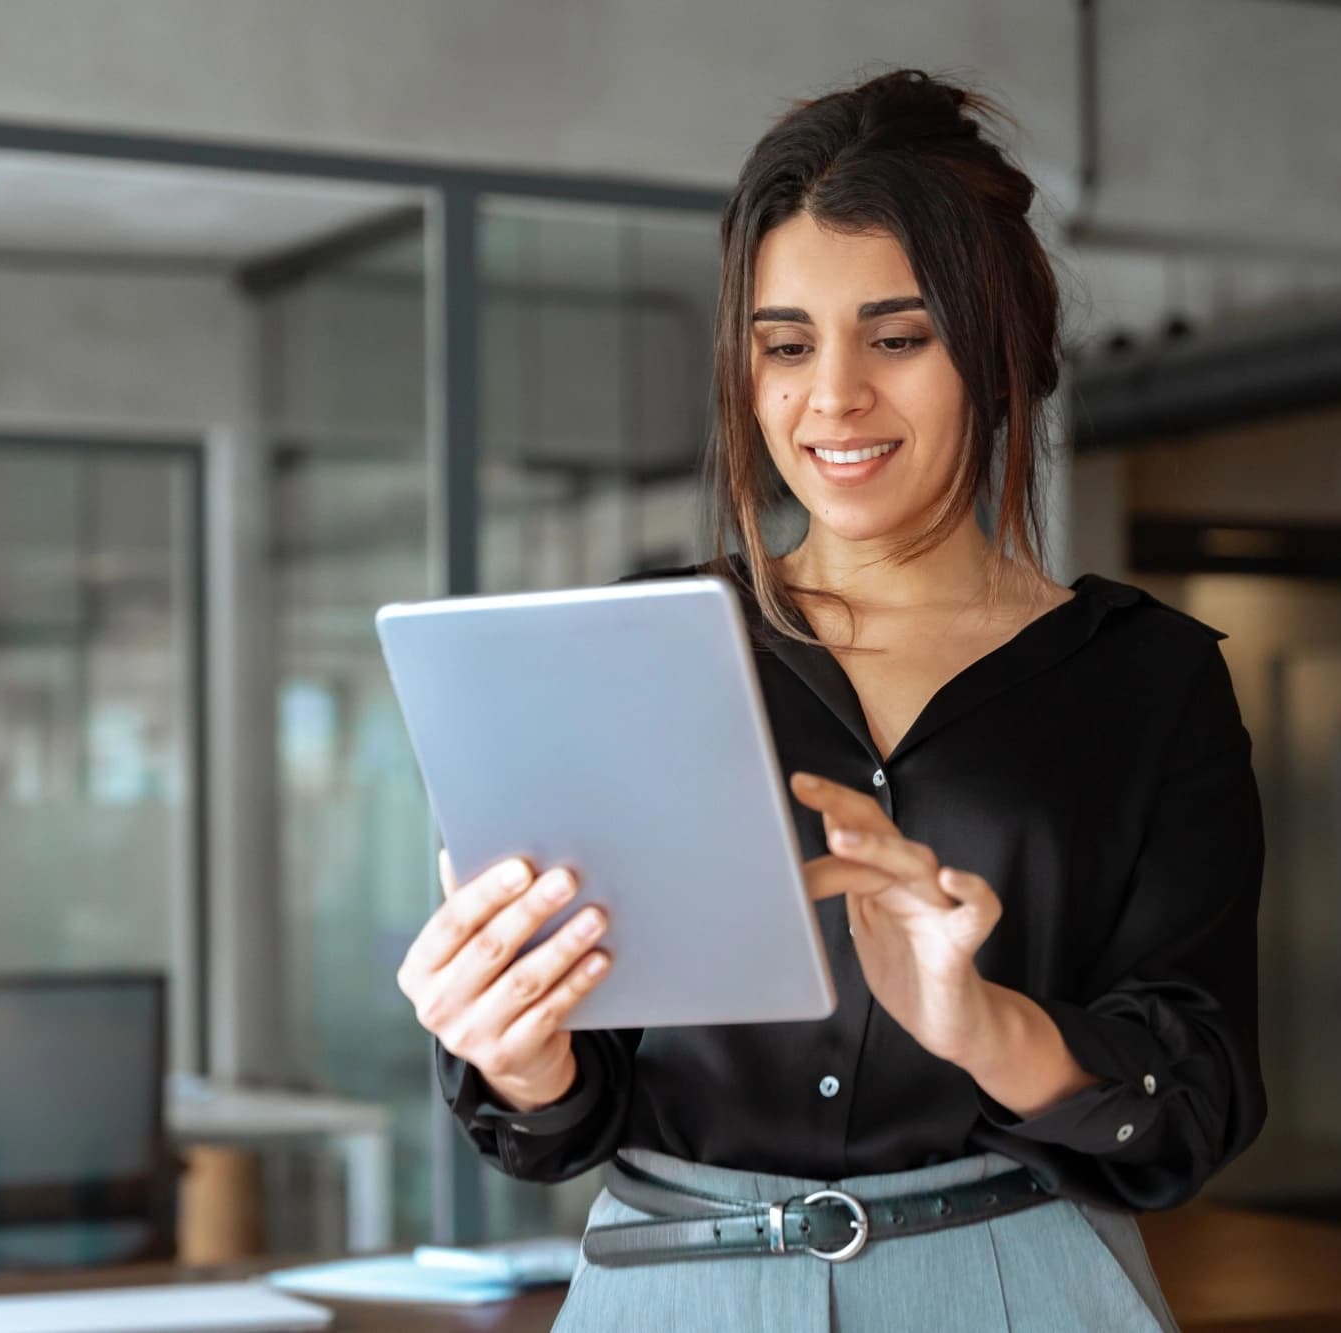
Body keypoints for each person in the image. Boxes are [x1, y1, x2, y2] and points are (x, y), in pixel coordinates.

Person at [394, 68, 1266, 1331]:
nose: (833, 396)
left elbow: (1193, 1101)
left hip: (1016, 1278)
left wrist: (983, 1023)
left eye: (898, 337)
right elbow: (561, 1116)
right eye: (786, 345)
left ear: (1006, 351)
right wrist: (518, 1055)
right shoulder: (638, 650)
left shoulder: (1147, 680)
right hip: (671, 1285)